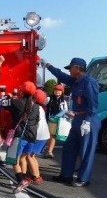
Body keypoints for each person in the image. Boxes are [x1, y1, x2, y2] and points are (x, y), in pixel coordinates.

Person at [41, 57, 101, 187]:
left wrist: (88, 122)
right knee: (69, 148)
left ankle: (83, 179)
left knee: (86, 150)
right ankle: (66, 175)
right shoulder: (76, 81)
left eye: (71, 68)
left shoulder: (88, 82)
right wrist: (48, 65)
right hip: (77, 118)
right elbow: (60, 75)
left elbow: (93, 105)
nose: (69, 71)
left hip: (87, 119)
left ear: (77, 68)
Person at [2, 81, 40, 193]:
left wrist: (5, 94)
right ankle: (23, 179)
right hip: (31, 138)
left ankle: (21, 181)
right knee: (23, 158)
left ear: (22, 91)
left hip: (20, 136)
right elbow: (37, 120)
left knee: (13, 160)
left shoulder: (17, 102)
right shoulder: (36, 106)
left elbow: (3, 103)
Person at [25, 89, 50, 185]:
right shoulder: (41, 108)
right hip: (44, 135)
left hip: (38, 135)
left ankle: (36, 176)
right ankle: (37, 175)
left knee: (28, 156)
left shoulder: (33, 107)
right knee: (32, 156)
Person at [40, 83, 68, 158]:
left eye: (59, 90)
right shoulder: (49, 99)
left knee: (53, 136)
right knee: (45, 136)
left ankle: (49, 151)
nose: (57, 92)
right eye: (55, 90)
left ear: (62, 92)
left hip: (57, 122)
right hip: (47, 120)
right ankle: (42, 150)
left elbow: (66, 111)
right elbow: (42, 104)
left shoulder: (64, 101)